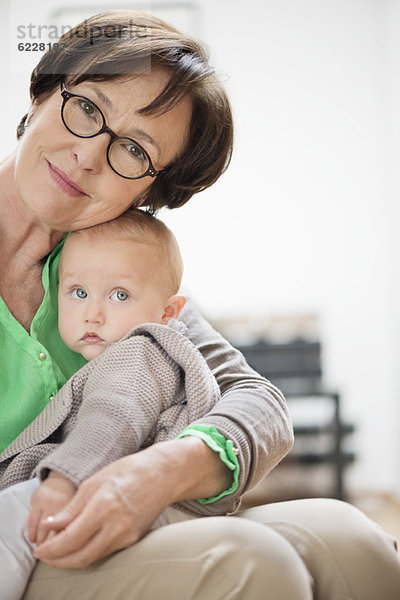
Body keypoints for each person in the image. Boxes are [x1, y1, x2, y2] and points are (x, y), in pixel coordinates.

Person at [0, 9, 398, 600]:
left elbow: (260, 403)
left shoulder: (117, 275)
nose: (88, 155)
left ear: (149, 195)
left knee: (352, 540)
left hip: (107, 519)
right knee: (250, 562)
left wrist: (153, 475)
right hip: (22, 531)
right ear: (40, 94)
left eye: (133, 149)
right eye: (87, 108)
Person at [1, 208, 235, 600]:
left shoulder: (140, 352)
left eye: (120, 295)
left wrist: (63, 480)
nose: (92, 314)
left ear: (168, 312)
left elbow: (113, 417)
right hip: (139, 502)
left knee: (11, 522)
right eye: (78, 293)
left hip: (117, 496)